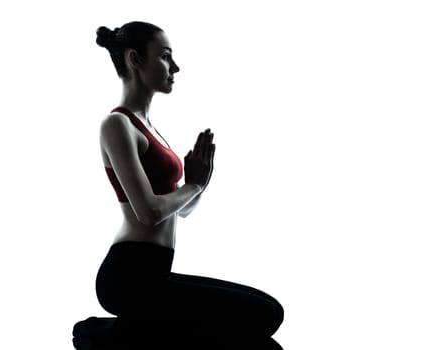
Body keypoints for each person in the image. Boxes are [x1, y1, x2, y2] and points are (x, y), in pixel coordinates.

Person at [94, 21, 284, 349]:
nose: (176, 67)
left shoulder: (151, 129)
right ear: (135, 60)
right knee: (261, 318)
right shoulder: (117, 124)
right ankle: (107, 337)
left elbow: (180, 211)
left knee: (268, 311)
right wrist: (193, 186)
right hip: (128, 277)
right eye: (166, 56)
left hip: (155, 272)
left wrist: (201, 183)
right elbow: (149, 213)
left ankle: (134, 336)